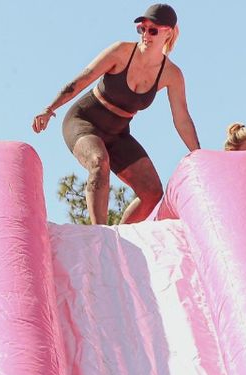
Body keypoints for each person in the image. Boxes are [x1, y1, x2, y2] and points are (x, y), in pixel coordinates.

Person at [32, 4, 199, 224]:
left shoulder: (171, 74)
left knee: (152, 191)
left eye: (153, 31)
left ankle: (117, 236)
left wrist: (198, 155)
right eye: (142, 29)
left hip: (118, 133)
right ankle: (99, 232)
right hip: (84, 120)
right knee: (99, 162)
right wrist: (50, 108)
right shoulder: (121, 52)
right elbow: (83, 79)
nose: (146, 35)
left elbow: (182, 118)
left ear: (168, 33)